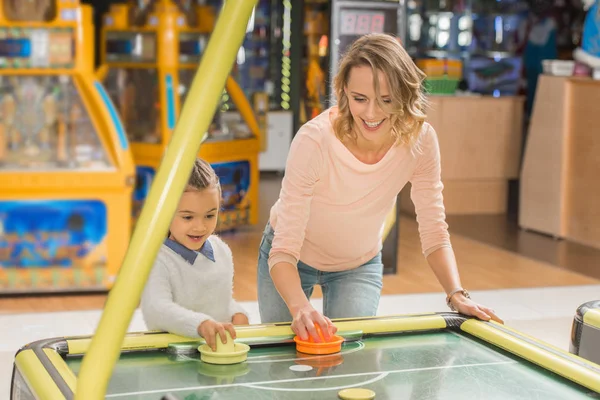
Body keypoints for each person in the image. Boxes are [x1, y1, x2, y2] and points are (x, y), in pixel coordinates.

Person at [257, 33, 503, 342]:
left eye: (386, 100)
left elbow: (434, 230)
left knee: (351, 360)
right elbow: (283, 249)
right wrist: (299, 307)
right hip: (289, 260)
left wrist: (456, 293)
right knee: (284, 356)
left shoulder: (421, 141)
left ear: (404, 95)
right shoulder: (314, 140)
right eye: (360, 99)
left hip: (357, 264)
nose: (372, 114)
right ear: (344, 91)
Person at [141, 158, 249, 351]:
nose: (200, 227)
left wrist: (236, 313)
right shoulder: (157, 259)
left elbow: (218, 301)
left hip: (215, 352)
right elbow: (156, 309)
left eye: (210, 215)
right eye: (188, 217)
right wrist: (200, 324)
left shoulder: (222, 250)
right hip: (172, 356)